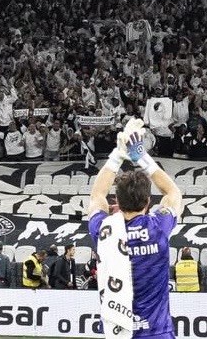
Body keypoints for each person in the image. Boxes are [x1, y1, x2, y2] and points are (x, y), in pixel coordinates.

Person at [87, 124, 185, 339]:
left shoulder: (105, 230)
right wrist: (140, 156)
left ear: (117, 202)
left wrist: (117, 155)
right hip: (158, 332)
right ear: (148, 202)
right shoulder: (158, 228)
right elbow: (173, 193)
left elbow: (97, 197)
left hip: (120, 333)